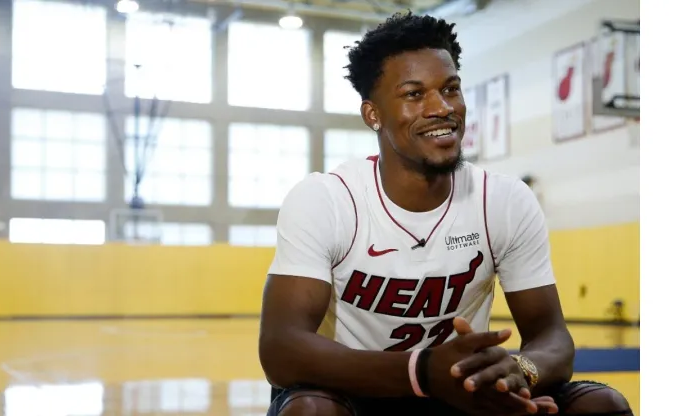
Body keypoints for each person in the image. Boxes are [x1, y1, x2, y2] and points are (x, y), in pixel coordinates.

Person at [257, 11, 633, 416]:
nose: (441, 107)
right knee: (310, 410)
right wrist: (420, 372)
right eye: (414, 94)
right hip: (357, 390)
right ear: (373, 115)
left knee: (601, 405)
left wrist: (517, 372)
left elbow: (552, 337)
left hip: (458, 392)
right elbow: (282, 349)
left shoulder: (504, 200)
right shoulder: (327, 199)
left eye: (450, 88)